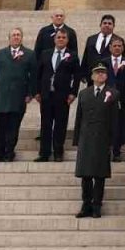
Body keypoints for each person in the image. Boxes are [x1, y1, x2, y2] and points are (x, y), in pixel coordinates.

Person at [72, 63, 116, 218]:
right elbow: (79, 117)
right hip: (86, 138)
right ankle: (86, 204)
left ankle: (97, 205)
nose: (100, 75)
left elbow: (115, 119)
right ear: (92, 76)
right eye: (97, 73)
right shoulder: (84, 94)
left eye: (103, 73)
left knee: (99, 174)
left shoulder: (113, 93)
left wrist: (114, 142)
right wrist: (77, 139)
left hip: (102, 138)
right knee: (85, 175)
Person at [0, 27, 37, 162]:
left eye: (18, 35)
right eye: (13, 35)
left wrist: (30, 93)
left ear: (22, 38)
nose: (16, 37)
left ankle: (9, 152)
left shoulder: (29, 54)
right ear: (9, 38)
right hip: (1, 97)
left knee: (14, 127)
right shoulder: (0, 53)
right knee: (0, 126)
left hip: (18, 97)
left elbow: (34, 76)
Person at [36, 29, 79, 162]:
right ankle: (44, 152)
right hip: (47, 95)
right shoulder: (45, 54)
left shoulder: (72, 56)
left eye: (63, 38)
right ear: (54, 39)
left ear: (67, 40)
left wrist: (73, 93)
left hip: (63, 96)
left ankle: (58, 152)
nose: (61, 39)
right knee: (46, 124)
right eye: (58, 37)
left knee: (61, 124)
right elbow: (38, 74)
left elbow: (76, 76)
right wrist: (37, 91)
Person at [104, 36, 125, 161]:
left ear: (123, 48)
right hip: (106, 98)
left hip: (121, 99)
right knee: (106, 124)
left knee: (118, 125)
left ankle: (116, 152)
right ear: (110, 48)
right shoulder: (104, 62)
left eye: (119, 46)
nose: (117, 48)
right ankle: (105, 151)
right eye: (114, 46)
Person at [81, 14, 118, 84]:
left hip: (109, 78)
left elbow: (121, 59)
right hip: (92, 77)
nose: (107, 25)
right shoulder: (91, 39)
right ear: (100, 25)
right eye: (104, 23)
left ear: (113, 26)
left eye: (109, 23)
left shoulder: (118, 40)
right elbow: (85, 57)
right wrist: (83, 74)